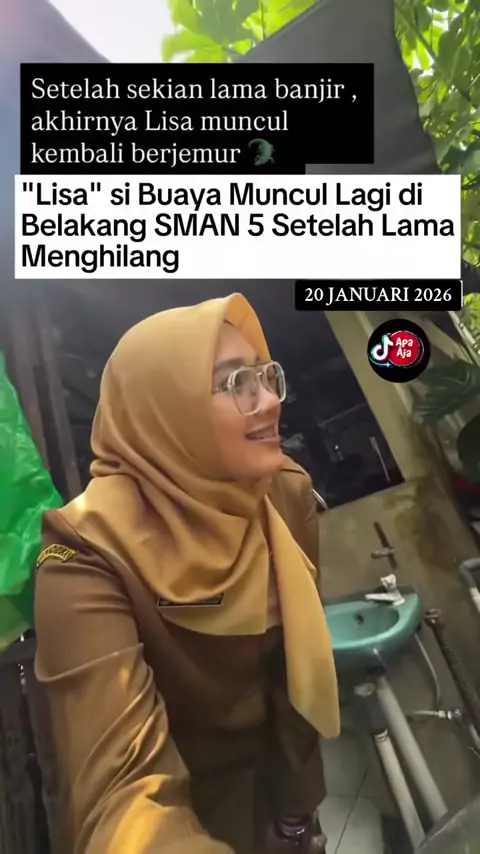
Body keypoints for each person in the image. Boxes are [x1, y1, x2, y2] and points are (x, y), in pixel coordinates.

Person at [34, 293, 340, 854]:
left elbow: (294, 669)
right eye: (235, 383)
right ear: (164, 412)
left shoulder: (282, 494)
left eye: (266, 376)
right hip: (191, 806)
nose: (269, 401)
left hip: (276, 786)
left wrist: (297, 811)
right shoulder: (86, 552)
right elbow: (121, 793)